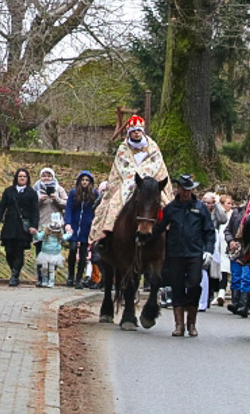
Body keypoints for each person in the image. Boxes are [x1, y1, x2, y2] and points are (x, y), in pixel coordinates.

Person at [90, 115, 173, 247]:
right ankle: (106, 236)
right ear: (129, 133)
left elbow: (158, 167)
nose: (136, 133)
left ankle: (170, 235)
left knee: (166, 205)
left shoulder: (153, 148)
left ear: (142, 132)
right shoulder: (123, 148)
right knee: (113, 204)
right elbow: (120, 169)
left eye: (138, 130)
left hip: (149, 185)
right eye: (133, 131)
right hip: (127, 183)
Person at [153, 174, 215, 337]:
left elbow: (209, 231)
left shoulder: (200, 208)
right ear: (178, 189)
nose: (186, 192)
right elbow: (159, 227)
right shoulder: (171, 208)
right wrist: (145, 237)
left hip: (195, 253)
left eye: (188, 189)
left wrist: (208, 250)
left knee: (194, 284)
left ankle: (192, 323)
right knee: (177, 286)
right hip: (175, 253)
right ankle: (179, 324)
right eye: (183, 189)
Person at [0, 168, 40, 286]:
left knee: (19, 251)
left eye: (24, 176)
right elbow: (1, 206)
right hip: (9, 224)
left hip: (23, 226)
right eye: (20, 176)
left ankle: (15, 275)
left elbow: (35, 210)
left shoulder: (32, 193)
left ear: (28, 179)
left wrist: (34, 226)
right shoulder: (9, 191)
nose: (22, 178)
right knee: (9, 250)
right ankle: (13, 269)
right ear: (16, 178)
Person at [33, 167, 68, 286]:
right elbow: (31, 205)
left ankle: (51, 278)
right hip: (41, 223)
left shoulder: (59, 189)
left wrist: (56, 198)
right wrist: (39, 200)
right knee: (39, 251)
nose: (46, 178)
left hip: (55, 225)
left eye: (49, 175)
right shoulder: (36, 189)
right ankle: (40, 277)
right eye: (44, 175)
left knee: (53, 252)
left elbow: (66, 204)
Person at [64, 171, 97, 289]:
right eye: (83, 180)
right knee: (72, 249)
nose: (84, 182)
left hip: (86, 227)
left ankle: (79, 278)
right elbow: (68, 209)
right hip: (74, 225)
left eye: (87, 180)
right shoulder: (73, 193)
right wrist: (67, 223)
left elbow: (96, 211)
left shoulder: (94, 194)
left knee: (83, 253)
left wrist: (93, 224)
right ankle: (70, 276)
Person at [35, 212, 71, 287]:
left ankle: (51, 281)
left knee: (51, 267)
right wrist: (35, 233)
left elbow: (63, 238)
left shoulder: (59, 233)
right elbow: (39, 236)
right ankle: (44, 280)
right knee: (44, 267)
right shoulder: (46, 232)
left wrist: (69, 234)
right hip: (45, 252)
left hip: (54, 253)